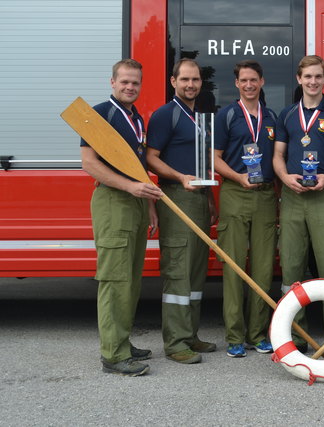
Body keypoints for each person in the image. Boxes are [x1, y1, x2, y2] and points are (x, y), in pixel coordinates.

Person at [81, 59, 163, 376]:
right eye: (125, 82)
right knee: (114, 280)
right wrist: (131, 187)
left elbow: (135, 167)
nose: (130, 87)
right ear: (112, 82)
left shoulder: (134, 117)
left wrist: (150, 205)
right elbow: (89, 162)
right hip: (113, 202)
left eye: (135, 83)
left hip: (135, 204)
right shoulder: (101, 114)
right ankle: (113, 355)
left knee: (129, 280)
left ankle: (123, 342)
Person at [273, 55, 324, 355]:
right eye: (307, 76)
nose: (312, 82)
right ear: (299, 79)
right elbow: (277, 156)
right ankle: (294, 336)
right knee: (291, 269)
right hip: (294, 198)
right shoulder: (286, 115)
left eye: (318, 77)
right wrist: (285, 178)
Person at [146, 58, 218, 364]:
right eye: (185, 79)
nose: (191, 85)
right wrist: (179, 178)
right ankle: (175, 343)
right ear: (173, 81)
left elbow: (202, 162)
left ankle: (190, 335)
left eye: (196, 80)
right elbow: (151, 158)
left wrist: (211, 199)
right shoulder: (165, 115)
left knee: (196, 270)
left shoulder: (198, 115)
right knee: (178, 271)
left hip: (199, 197)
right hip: (177, 197)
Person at [213, 60, 277, 358]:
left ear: (262, 82)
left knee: (263, 269)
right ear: (236, 84)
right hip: (236, 193)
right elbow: (215, 159)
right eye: (244, 80)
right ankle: (235, 337)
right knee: (235, 268)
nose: (249, 85)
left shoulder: (272, 117)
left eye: (254, 80)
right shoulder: (226, 116)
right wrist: (238, 176)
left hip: (264, 197)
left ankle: (258, 334)